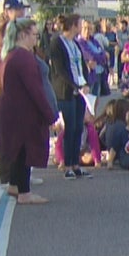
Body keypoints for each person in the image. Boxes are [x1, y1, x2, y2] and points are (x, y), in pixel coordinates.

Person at [0, 19, 57, 205]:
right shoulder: (23, 57)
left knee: (18, 150)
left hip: (12, 111)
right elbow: (36, 89)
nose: (36, 39)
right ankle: (24, 192)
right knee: (24, 151)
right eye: (34, 35)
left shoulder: (11, 54)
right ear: (23, 35)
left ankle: (15, 184)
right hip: (24, 113)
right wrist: (50, 115)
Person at [48, 14, 92, 180]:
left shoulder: (75, 43)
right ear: (73, 25)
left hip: (80, 91)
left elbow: (81, 65)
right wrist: (75, 86)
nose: (81, 27)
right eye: (80, 24)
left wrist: (85, 83)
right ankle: (67, 165)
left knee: (78, 128)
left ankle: (76, 164)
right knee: (70, 128)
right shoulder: (57, 43)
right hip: (66, 91)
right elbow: (60, 69)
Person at [0, 0, 28, 97]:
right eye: (17, 10)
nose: (21, 13)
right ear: (6, 11)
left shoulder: (22, 30)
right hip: (4, 87)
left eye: (22, 9)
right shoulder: (0, 33)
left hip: (20, 84)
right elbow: (8, 57)